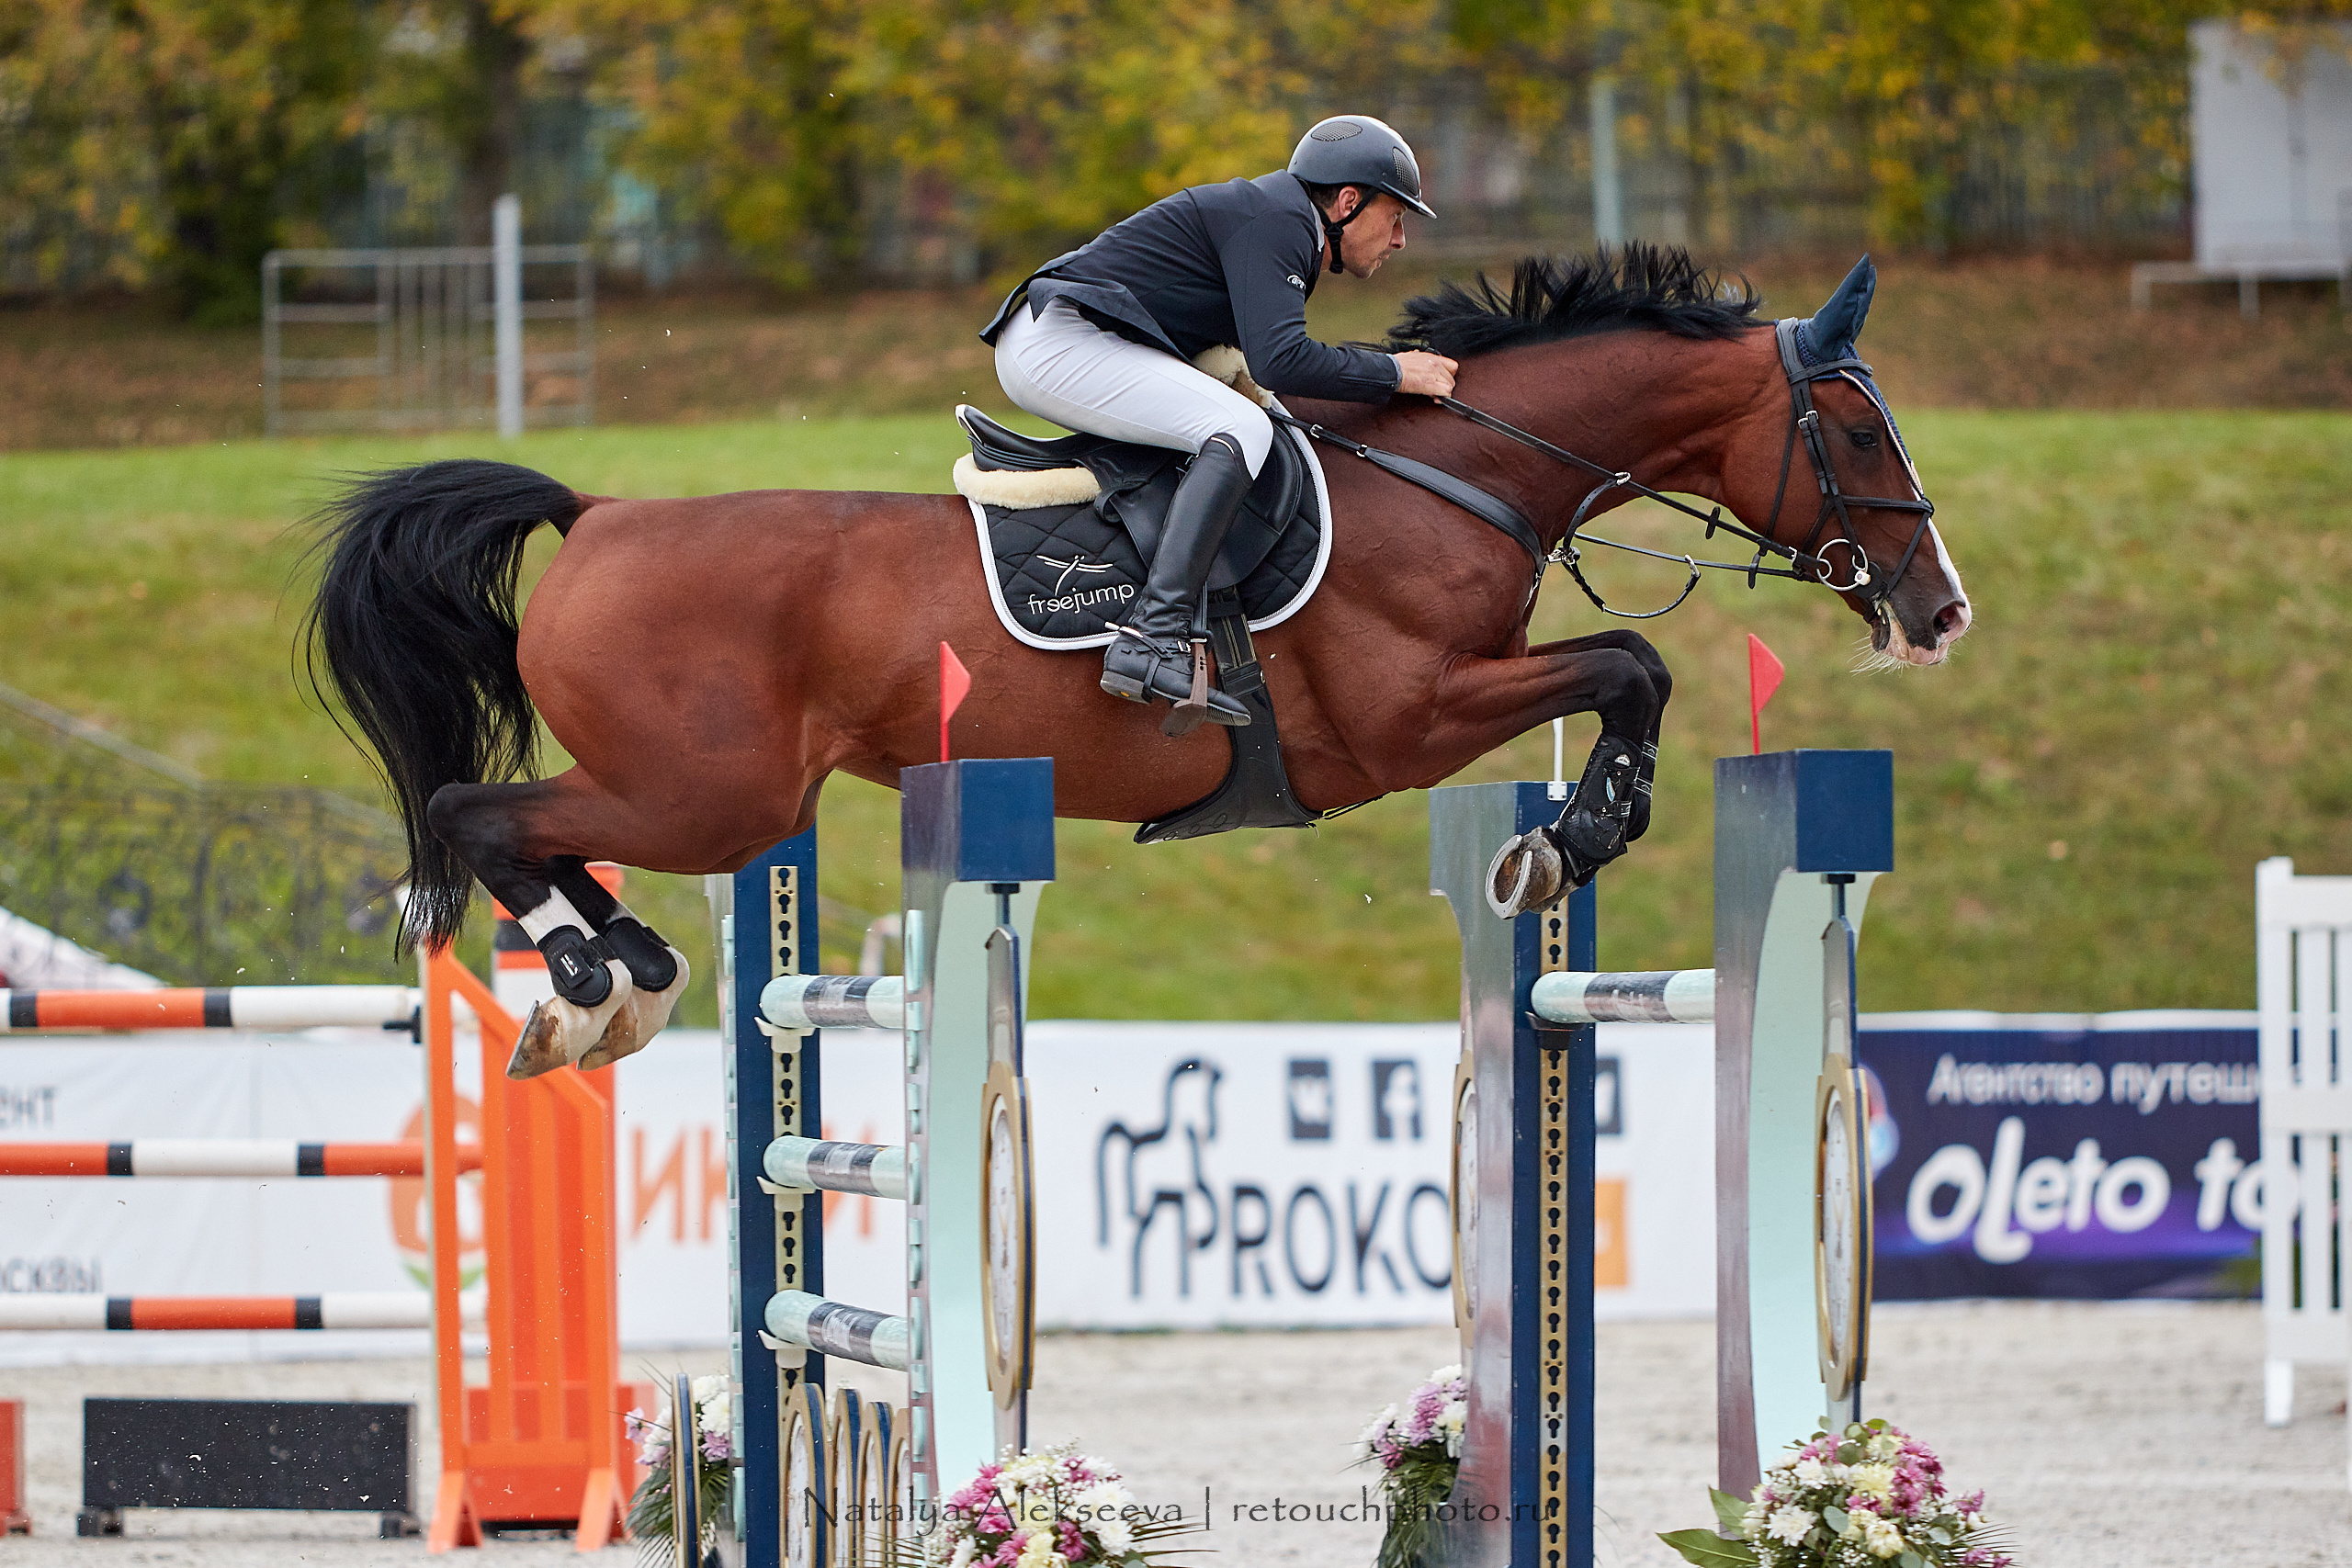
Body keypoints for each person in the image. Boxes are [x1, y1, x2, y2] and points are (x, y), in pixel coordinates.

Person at [980, 115, 1460, 728]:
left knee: (1243, 421)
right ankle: (1153, 635)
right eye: (1395, 217)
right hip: (1060, 342)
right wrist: (1395, 372)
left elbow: (1263, 359)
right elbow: (1283, 361)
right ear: (1347, 202)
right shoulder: (1282, 221)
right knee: (1241, 429)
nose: (1400, 239)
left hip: (1067, 337)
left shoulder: (1281, 217)